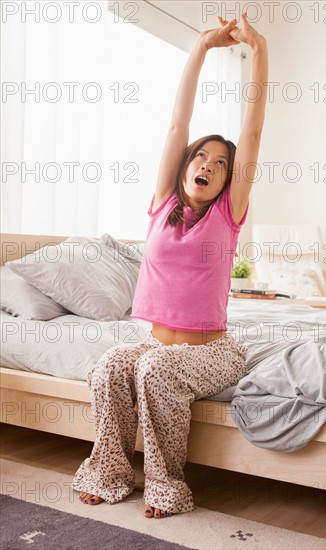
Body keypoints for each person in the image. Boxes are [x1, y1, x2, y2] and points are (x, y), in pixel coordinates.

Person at [73, 13, 268, 519]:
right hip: (158, 345)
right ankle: (110, 473)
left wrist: (260, 48)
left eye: (220, 163)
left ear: (229, 181)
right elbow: (178, 123)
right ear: (185, 165)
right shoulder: (162, 204)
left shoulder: (227, 215)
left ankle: (166, 484)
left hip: (214, 352)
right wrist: (201, 48)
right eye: (200, 157)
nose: (207, 164)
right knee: (115, 363)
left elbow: (253, 128)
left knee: (155, 367)